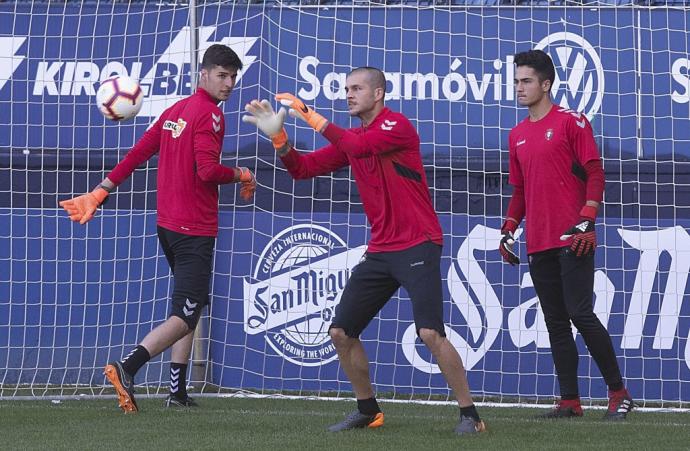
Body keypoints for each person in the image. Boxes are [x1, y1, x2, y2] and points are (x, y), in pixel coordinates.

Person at [242, 67, 485, 435]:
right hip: (382, 250)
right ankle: (368, 410)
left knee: (431, 334)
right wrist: (280, 140)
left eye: (357, 89)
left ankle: (471, 416)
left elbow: (358, 147)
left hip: (419, 242)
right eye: (346, 89)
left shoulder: (395, 126)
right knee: (340, 332)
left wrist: (308, 113)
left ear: (379, 93)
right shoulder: (354, 137)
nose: (349, 95)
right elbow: (303, 170)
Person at [59, 44, 255, 413]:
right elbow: (208, 171)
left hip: (168, 225)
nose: (228, 83)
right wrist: (241, 173)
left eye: (233, 76)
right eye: (222, 75)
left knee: (190, 310)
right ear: (204, 74)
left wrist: (100, 191)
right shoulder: (210, 115)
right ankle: (127, 367)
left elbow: (139, 152)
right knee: (185, 315)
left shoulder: (175, 110)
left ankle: (177, 392)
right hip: (194, 228)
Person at [500, 49, 633, 420]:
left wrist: (587, 219)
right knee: (555, 321)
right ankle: (570, 401)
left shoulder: (573, 122)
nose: (519, 88)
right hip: (537, 241)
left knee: (580, 313)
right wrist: (509, 229)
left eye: (526, 81)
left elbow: (595, 173)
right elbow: (521, 192)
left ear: (546, 83)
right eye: (516, 81)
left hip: (574, 236)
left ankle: (619, 393)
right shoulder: (517, 134)